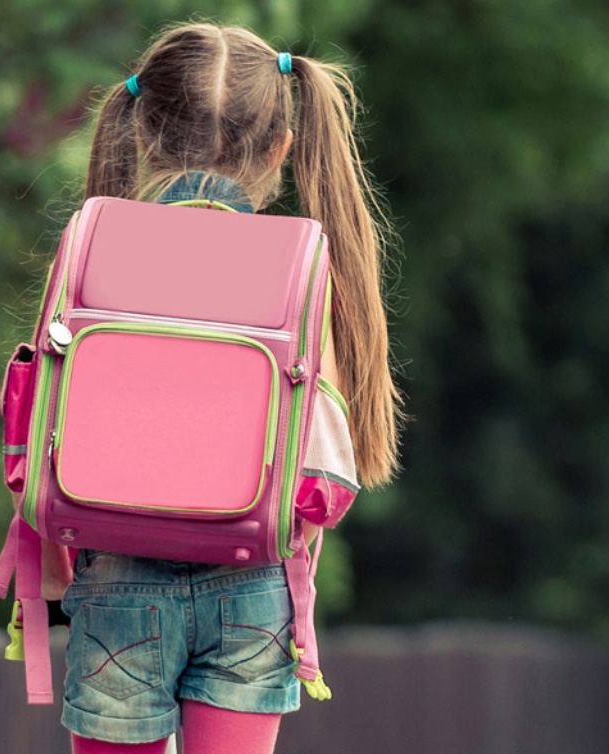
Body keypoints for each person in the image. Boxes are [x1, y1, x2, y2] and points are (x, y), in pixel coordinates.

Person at [60, 21, 402, 754]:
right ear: (282, 145)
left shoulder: (95, 243)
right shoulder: (301, 266)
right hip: (251, 582)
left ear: (144, 132)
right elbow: (327, 481)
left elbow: (36, 422)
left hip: (116, 576)